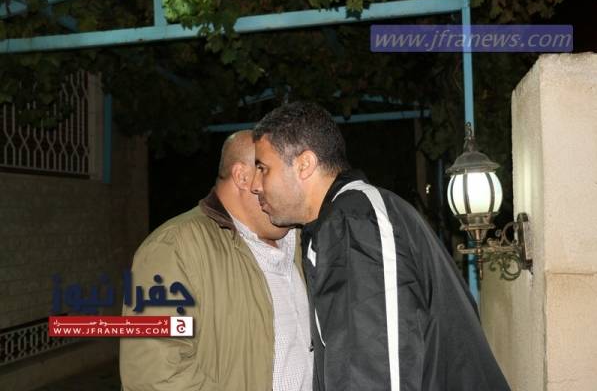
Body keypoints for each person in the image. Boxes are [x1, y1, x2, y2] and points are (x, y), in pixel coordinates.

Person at [251, 101, 511, 391]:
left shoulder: (355, 222)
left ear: (304, 165)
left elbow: (375, 374)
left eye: (263, 168)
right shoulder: (350, 219)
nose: (255, 185)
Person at [120, 130, 313, 391]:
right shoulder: (173, 247)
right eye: (280, 175)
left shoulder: (301, 239)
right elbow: (153, 375)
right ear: (243, 177)